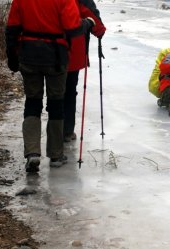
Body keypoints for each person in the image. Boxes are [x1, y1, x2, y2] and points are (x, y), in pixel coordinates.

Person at [5, 0, 93, 172]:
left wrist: (12, 58)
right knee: (56, 103)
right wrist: (88, 23)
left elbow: (12, 29)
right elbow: (73, 28)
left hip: (29, 54)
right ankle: (55, 155)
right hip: (56, 56)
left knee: (32, 102)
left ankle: (32, 153)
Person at [64, 0, 106, 142]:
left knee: (53, 93)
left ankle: (54, 133)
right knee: (69, 91)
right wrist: (99, 30)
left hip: (41, 51)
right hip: (71, 53)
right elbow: (94, 20)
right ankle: (67, 131)